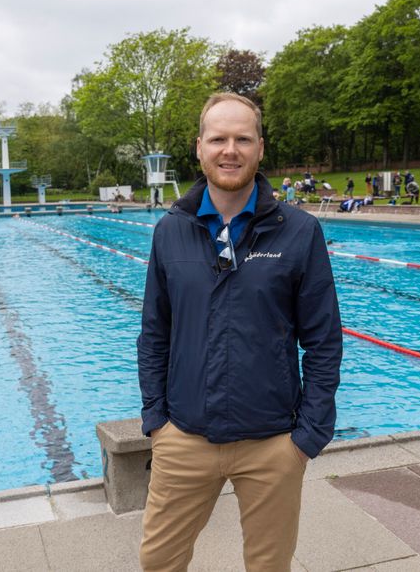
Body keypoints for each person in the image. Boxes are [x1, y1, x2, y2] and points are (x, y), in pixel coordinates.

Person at [138, 93, 343, 571]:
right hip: (183, 438)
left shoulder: (298, 231)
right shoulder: (171, 230)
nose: (230, 149)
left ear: (260, 148)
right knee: (157, 562)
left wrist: (307, 437)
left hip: (273, 444)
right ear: (200, 148)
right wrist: (157, 421)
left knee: (269, 567)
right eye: (219, 139)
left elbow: (323, 339)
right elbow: (154, 333)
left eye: (242, 139)